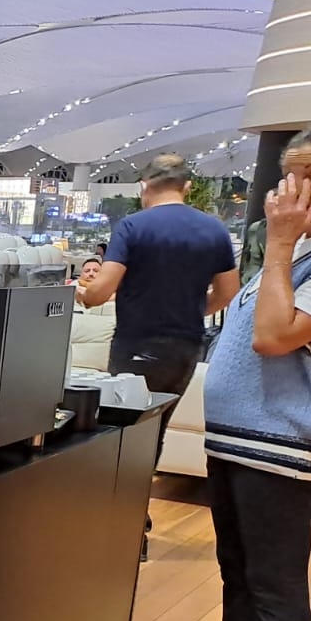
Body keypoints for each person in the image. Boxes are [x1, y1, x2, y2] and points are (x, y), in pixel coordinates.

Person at [155, 123, 311, 621]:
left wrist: (278, 243)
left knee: (276, 590)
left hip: (280, 448)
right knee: (240, 576)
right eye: (291, 175)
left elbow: (274, 336)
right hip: (239, 442)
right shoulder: (302, 249)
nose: (296, 190)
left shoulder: (307, 255)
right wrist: (285, 246)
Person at [79, 154, 240, 556]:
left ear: (144, 186)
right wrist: (191, 311)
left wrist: (83, 291)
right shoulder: (215, 230)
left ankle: (127, 530)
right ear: (187, 186)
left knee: (123, 436)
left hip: (136, 345)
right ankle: (136, 519)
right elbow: (228, 294)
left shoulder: (133, 226)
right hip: (186, 348)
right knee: (155, 431)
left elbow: (100, 292)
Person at [69, 257, 116, 372]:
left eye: (96, 271)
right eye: (87, 271)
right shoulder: (72, 288)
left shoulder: (112, 290)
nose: (91, 274)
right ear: (80, 275)